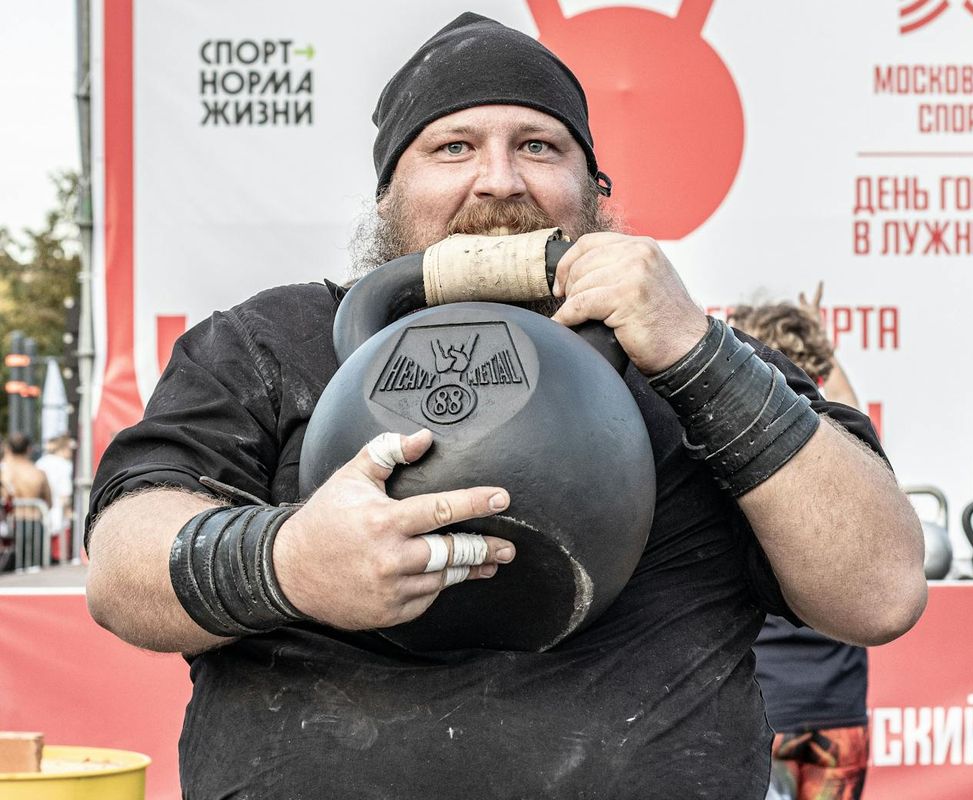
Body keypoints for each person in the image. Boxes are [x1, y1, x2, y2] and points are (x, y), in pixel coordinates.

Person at [85, 13, 926, 799]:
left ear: (594, 190)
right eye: (453, 147)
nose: (499, 181)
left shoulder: (694, 356)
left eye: (538, 146)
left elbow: (880, 593)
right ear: (387, 195)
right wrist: (287, 563)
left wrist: (696, 354)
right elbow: (123, 570)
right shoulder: (268, 344)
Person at [729, 292, 869, 800]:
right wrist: (820, 344)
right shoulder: (852, 457)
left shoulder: (733, 458)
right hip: (837, 712)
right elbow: (851, 408)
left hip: (767, 712)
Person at [1, 432, 52, 569]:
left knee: (12, 573)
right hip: (36, 524)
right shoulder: (39, 473)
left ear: (9, 449)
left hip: (13, 524)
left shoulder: (6, 473)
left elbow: (5, 498)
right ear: (29, 449)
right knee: (35, 570)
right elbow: (48, 503)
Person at [35, 435, 75, 561]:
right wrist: (69, 512)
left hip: (42, 511)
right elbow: (65, 493)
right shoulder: (65, 465)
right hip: (59, 515)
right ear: (64, 448)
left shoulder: (41, 462)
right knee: (59, 557)